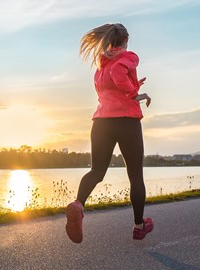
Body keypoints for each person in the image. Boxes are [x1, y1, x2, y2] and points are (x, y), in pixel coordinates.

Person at [65, 23, 153, 243]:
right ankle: (138, 226)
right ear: (125, 40)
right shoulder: (128, 56)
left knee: (96, 171)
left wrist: (132, 83)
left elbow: (114, 82)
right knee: (135, 176)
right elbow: (118, 74)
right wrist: (135, 94)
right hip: (126, 123)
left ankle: (78, 205)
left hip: (101, 123)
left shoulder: (100, 66)